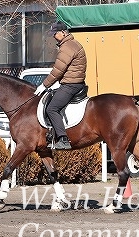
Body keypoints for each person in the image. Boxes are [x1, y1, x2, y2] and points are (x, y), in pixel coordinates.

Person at [34, 21, 87, 150]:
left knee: (51, 108)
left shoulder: (67, 47)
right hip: (76, 83)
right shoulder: (72, 44)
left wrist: (44, 85)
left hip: (71, 85)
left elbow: (58, 70)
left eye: (55, 33)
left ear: (63, 32)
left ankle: (63, 139)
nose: (53, 36)